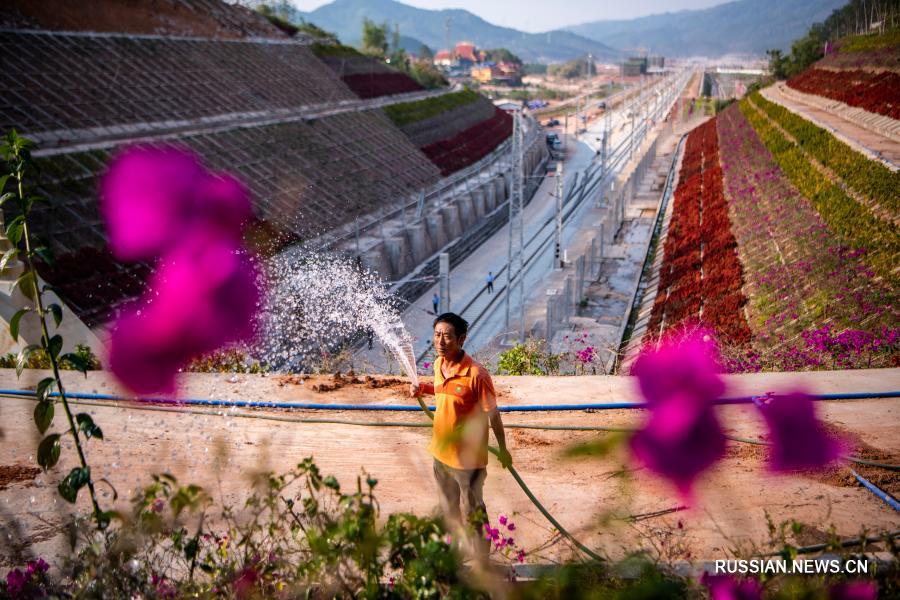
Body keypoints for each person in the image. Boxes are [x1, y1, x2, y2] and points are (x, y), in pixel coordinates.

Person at [409, 313, 511, 555]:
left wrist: (503, 450)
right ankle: (453, 557)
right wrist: (422, 388)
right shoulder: (438, 365)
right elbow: (442, 389)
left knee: (473, 512)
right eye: (437, 335)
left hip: (468, 461)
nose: (440, 342)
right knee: (449, 510)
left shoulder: (477, 375)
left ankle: (482, 562)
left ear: (461, 339)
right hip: (440, 455)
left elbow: (493, 415)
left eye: (447, 336)